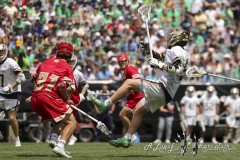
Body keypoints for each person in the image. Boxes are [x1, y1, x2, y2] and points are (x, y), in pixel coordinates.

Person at [90, 29, 190, 148]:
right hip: (166, 94)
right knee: (138, 111)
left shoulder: (176, 50)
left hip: (162, 87)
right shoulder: (180, 52)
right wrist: (149, 51)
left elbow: (177, 70)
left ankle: (106, 103)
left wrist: (158, 64)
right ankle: (127, 138)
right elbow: (157, 58)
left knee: (129, 83)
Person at [31, 41, 77, 158]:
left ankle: (54, 139)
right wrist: (67, 99)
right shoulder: (67, 66)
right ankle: (60, 146)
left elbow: (34, 78)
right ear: (70, 54)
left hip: (35, 99)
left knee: (61, 121)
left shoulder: (44, 63)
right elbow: (64, 86)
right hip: (48, 98)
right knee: (72, 122)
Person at [0, 44, 26, 147]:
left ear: (5, 52)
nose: (0, 54)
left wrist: (11, 86)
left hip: (13, 93)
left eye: (1, 52)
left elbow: (22, 77)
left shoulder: (10, 62)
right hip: (1, 92)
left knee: (11, 117)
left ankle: (17, 139)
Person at [117, 53, 144, 144]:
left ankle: (132, 135)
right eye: (120, 63)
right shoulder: (124, 71)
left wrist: (130, 90)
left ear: (127, 61)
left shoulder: (130, 68)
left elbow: (137, 80)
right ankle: (126, 140)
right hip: (132, 97)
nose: (122, 64)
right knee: (125, 120)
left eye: (123, 62)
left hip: (137, 97)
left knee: (122, 114)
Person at [67, 55, 88, 145]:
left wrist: (82, 95)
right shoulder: (64, 71)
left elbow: (85, 85)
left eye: (72, 61)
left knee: (72, 119)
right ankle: (69, 137)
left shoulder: (78, 73)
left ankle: (71, 136)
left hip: (74, 99)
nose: (70, 63)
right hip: (65, 97)